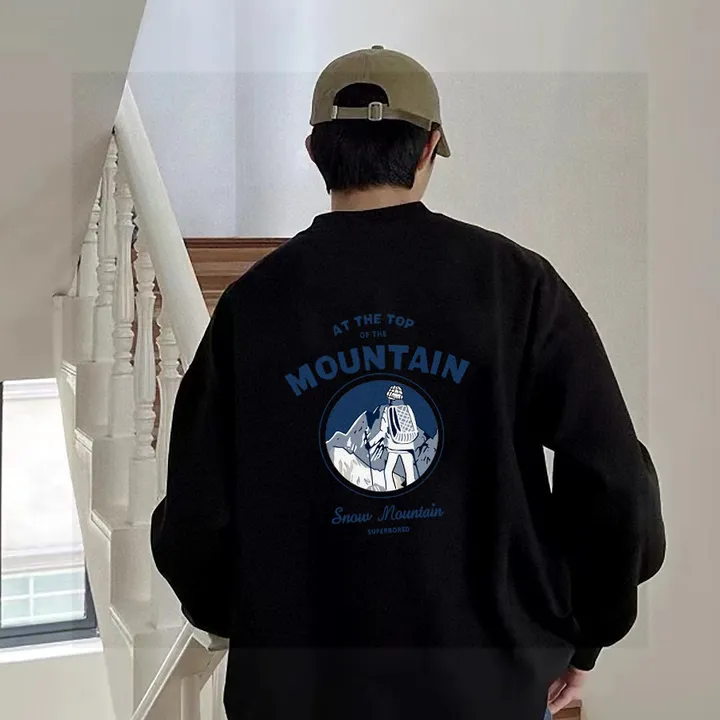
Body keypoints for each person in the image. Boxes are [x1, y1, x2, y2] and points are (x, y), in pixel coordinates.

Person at [151, 46, 666, 720]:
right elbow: (612, 478)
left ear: (314, 151)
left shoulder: (253, 306)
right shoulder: (515, 284)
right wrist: (588, 629)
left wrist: (255, 618)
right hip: (486, 681)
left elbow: (196, 515)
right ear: (428, 148)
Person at [367, 384, 419, 491]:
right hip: (409, 445)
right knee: (410, 473)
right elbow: (415, 429)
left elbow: (382, 432)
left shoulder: (387, 411)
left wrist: (370, 443)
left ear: (390, 398)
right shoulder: (408, 409)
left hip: (394, 447)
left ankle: (391, 491)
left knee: (388, 471)